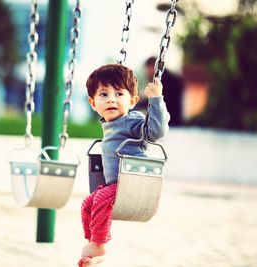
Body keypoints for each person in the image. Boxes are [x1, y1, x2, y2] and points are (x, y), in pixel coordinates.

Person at [78, 64, 170, 266]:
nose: (111, 99)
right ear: (93, 103)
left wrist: (156, 99)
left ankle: (99, 245)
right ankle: (94, 245)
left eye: (119, 93)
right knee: (87, 204)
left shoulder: (132, 120)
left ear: (133, 101)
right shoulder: (109, 125)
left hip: (133, 182)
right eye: (104, 94)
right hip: (115, 186)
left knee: (101, 198)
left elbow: (157, 131)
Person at [135, 56, 184, 126]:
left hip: (170, 121)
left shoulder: (165, 81)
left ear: (154, 67)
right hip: (172, 120)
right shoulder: (168, 78)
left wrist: (142, 102)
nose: (147, 72)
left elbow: (158, 99)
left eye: (148, 69)